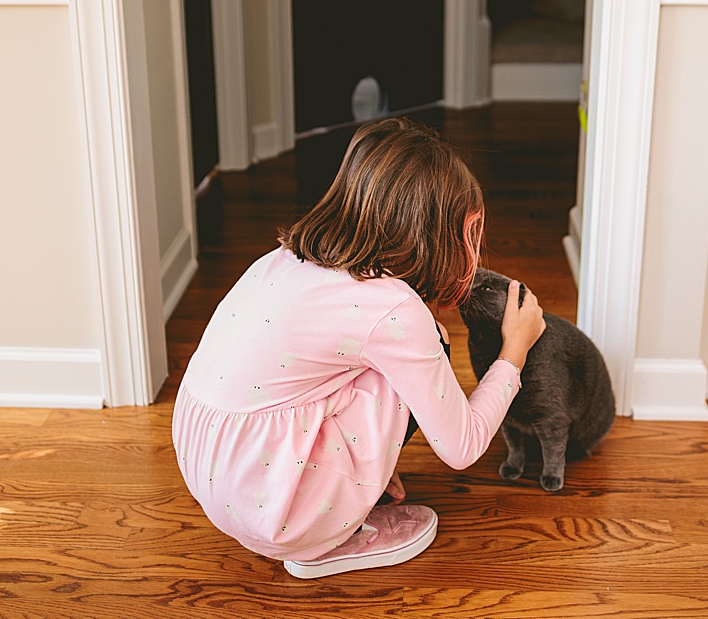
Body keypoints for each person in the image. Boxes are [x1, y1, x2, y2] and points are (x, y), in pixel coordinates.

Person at [172, 117, 547, 579]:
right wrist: (515, 351)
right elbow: (463, 445)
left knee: (378, 361)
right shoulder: (393, 308)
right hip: (278, 512)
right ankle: (327, 534)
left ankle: (330, 491)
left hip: (214, 473)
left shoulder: (281, 259)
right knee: (433, 343)